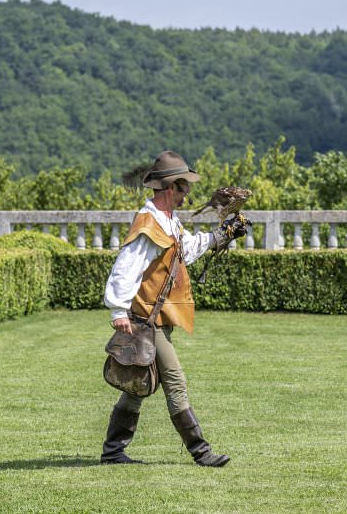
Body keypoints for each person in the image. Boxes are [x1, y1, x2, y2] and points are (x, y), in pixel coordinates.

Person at [100, 150, 245, 467]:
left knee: (138, 387)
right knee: (174, 381)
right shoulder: (149, 225)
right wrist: (118, 312)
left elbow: (186, 251)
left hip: (156, 319)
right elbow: (126, 269)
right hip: (145, 321)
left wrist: (223, 234)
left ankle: (112, 452)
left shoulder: (168, 222)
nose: (187, 194)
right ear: (169, 188)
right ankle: (202, 452)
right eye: (183, 188)